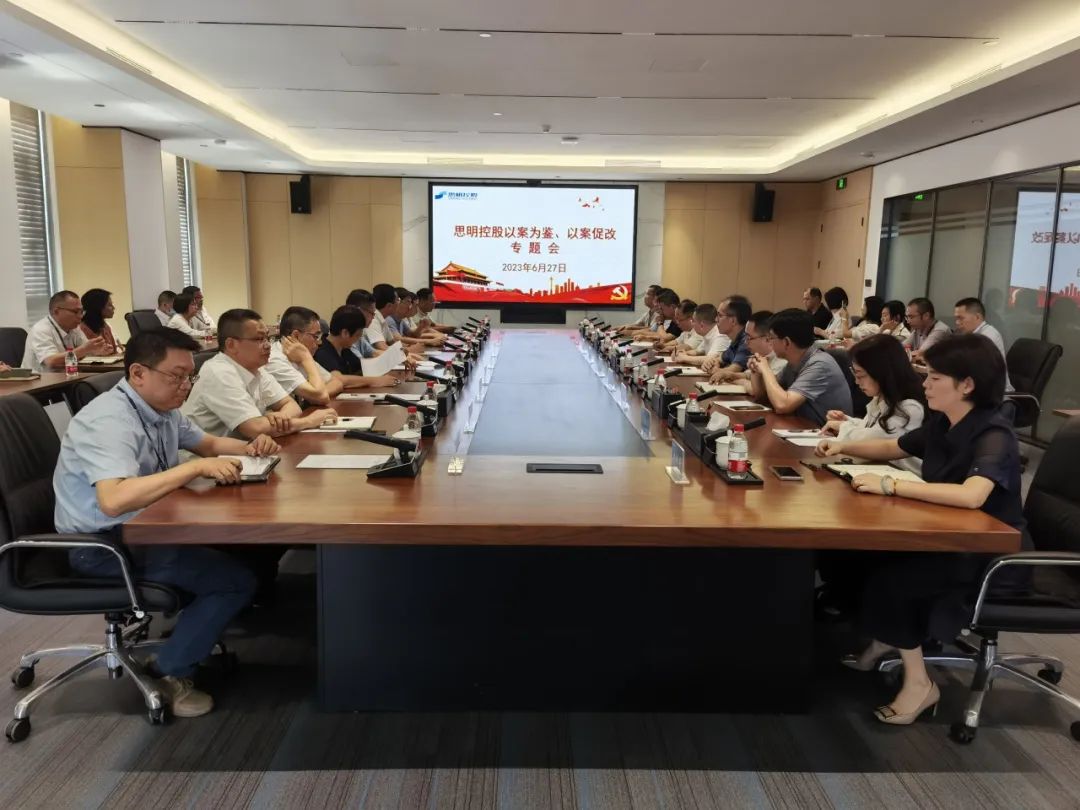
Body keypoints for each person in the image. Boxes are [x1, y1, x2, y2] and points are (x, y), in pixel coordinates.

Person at [54, 328, 280, 717]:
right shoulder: (109, 420)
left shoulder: (160, 409)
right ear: (139, 373)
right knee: (233, 581)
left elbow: (208, 444)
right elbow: (114, 499)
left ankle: (188, 640)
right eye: (176, 376)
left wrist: (251, 448)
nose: (186, 386)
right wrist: (193, 469)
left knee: (242, 550)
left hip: (146, 527)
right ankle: (169, 671)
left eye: (189, 376)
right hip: (102, 545)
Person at [815, 334, 1028, 725]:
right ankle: (889, 637)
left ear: (967, 385)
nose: (924, 384)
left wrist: (891, 485)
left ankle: (920, 683)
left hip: (988, 557)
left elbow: (972, 495)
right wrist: (843, 448)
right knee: (857, 560)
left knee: (890, 581)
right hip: (946, 536)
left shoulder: (993, 434)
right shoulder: (946, 423)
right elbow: (895, 446)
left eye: (934, 378)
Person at [181, 308, 336, 439]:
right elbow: (255, 428)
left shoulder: (257, 369)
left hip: (244, 453)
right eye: (259, 339)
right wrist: (309, 421)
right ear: (231, 344)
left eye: (267, 338)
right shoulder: (219, 373)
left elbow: (291, 405)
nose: (268, 345)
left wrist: (279, 419)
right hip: (207, 460)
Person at [748, 308, 852, 425]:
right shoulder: (794, 362)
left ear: (786, 342)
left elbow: (782, 405)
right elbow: (764, 397)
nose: (770, 342)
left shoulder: (819, 364)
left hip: (827, 432)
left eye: (771, 338)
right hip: (801, 427)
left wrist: (766, 369)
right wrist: (756, 372)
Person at [820, 334, 926, 446]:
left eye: (860, 375)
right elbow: (871, 427)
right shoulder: (882, 397)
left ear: (881, 372)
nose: (856, 382)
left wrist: (842, 426)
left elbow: (872, 440)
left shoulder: (909, 408)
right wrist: (846, 421)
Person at [263, 306, 339, 405]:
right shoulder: (275, 360)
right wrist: (307, 359)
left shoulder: (299, 355)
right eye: (316, 336)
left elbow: (336, 382)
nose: (320, 342)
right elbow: (322, 397)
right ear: (296, 336)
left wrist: (315, 395)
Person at [312, 305, 401, 387]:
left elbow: (362, 369)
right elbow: (337, 378)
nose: (358, 340)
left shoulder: (344, 349)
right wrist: (376, 381)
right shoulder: (323, 351)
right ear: (345, 333)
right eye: (357, 335)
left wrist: (396, 357)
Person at [22, 290, 106, 371]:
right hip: (43, 379)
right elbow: (51, 361)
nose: (80, 316)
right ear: (56, 311)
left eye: (81, 311)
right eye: (75, 311)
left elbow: (85, 350)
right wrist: (84, 349)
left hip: (69, 376)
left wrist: (97, 351)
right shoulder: (41, 329)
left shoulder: (74, 327)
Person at [709, 310, 784, 388]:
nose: (745, 342)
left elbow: (761, 389)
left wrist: (738, 381)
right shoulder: (760, 355)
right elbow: (748, 375)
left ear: (767, 339)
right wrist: (731, 375)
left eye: (749, 337)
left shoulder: (781, 360)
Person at [954, 297, 1013, 392]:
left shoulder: (989, 335)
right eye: (956, 318)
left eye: (961, 318)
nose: (957, 323)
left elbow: (971, 368)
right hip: (977, 387)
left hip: (995, 393)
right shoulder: (969, 335)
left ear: (977, 317)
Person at [699, 298, 752, 373]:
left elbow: (733, 370)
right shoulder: (735, 340)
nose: (716, 319)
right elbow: (720, 359)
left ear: (733, 321)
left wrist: (716, 370)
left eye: (720, 315)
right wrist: (710, 363)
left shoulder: (747, 340)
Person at [79, 288, 122, 356]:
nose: (113, 308)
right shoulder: (82, 329)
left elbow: (114, 352)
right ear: (98, 307)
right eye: (109, 305)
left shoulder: (105, 326)